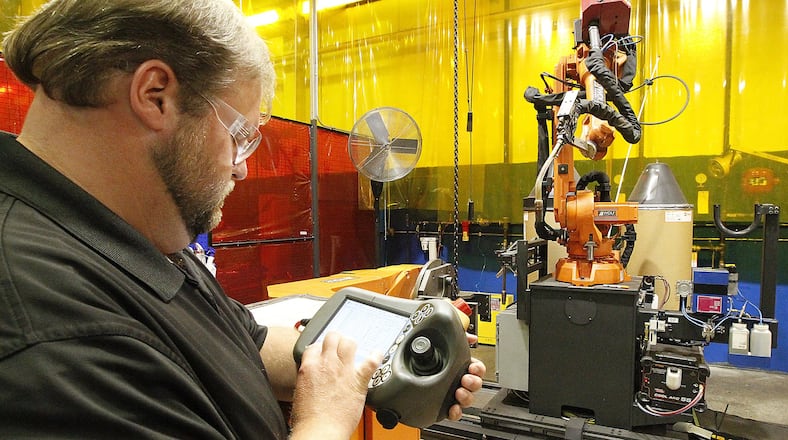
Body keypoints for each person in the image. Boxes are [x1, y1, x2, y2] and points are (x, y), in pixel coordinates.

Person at [0, 0, 485, 439]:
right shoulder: (51, 329)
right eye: (240, 133)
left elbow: (245, 345)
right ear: (154, 96)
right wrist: (327, 417)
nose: (242, 166)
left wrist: (380, 371)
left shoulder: (136, 236)